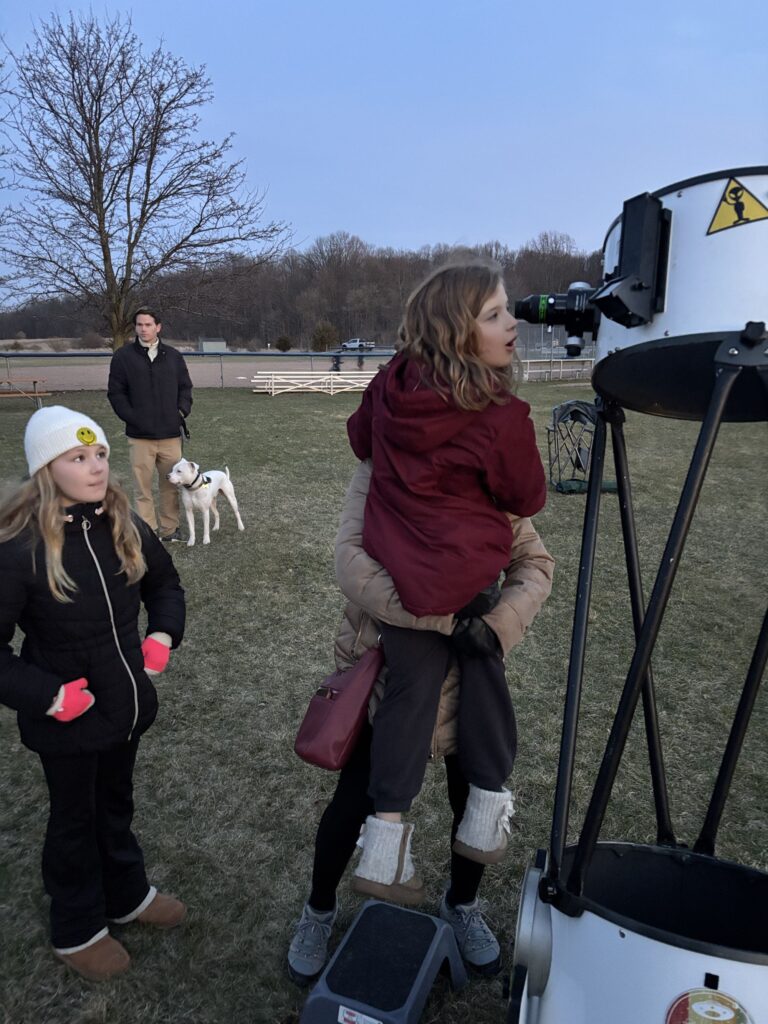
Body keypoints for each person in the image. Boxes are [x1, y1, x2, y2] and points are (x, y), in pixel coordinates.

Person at [287, 460, 554, 983]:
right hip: (388, 674)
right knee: (355, 800)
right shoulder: (380, 463)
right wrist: (439, 614)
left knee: (472, 797)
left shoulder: (489, 469)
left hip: (469, 678)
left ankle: (462, 904)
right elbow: (352, 562)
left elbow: (533, 562)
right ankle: (318, 911)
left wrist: (497, 625)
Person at [344, 260, 547, 902]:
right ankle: (484, 812)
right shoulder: (500, 414)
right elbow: (528, 497)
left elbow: (358, 437)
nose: (512, 323)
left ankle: (384, 849)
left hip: (402, 576)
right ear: (458, 332)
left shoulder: (389, 385)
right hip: (464, 576)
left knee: (410, 689)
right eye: (494, 314)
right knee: (484, 667)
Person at [0, 406, 187, 981]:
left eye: (100, 453)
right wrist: (50, 697)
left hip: (123, 707)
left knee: (115, 804)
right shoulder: (20, 547)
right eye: (78, 457)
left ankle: (126, 893)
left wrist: (162, 634)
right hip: (68, 723)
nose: (97, 466)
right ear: (46, 469)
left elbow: (165, 583)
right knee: (74, 822)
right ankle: (76, 926)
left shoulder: (122, 521)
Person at [107, 308, 193, 542]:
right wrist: (131, 417)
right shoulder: (123, 357)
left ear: (158, 327)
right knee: (142, 487)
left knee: (170, 486)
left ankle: (170, 529)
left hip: (170, 435)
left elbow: (185, 388)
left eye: (148, 325)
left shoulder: (173, 356)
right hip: (139, 436)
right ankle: (147, 531)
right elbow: (116, 393)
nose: (143, 329)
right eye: (139, 325)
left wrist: (180, 412)